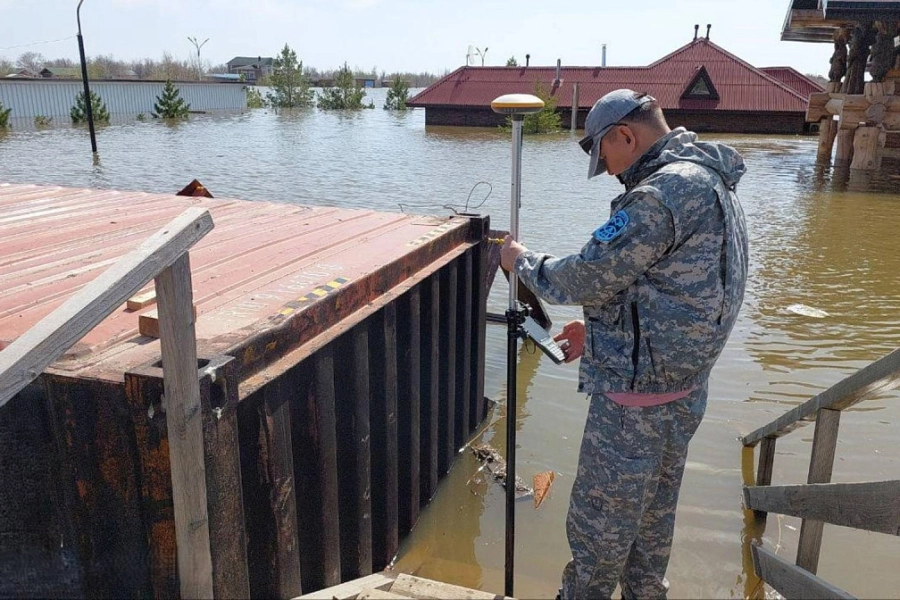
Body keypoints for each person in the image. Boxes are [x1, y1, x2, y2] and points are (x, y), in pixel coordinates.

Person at [500, 89, 748, 599]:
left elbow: (586, 278)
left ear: (626, 135)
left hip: (635, 410)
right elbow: (687, 290)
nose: (608, 170)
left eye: (605, 155)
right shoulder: (712, 179)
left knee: (598, 538)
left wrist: (521, 262)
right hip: (682, 395)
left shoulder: (660, 194)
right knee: (650, 537)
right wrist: (603, 333)